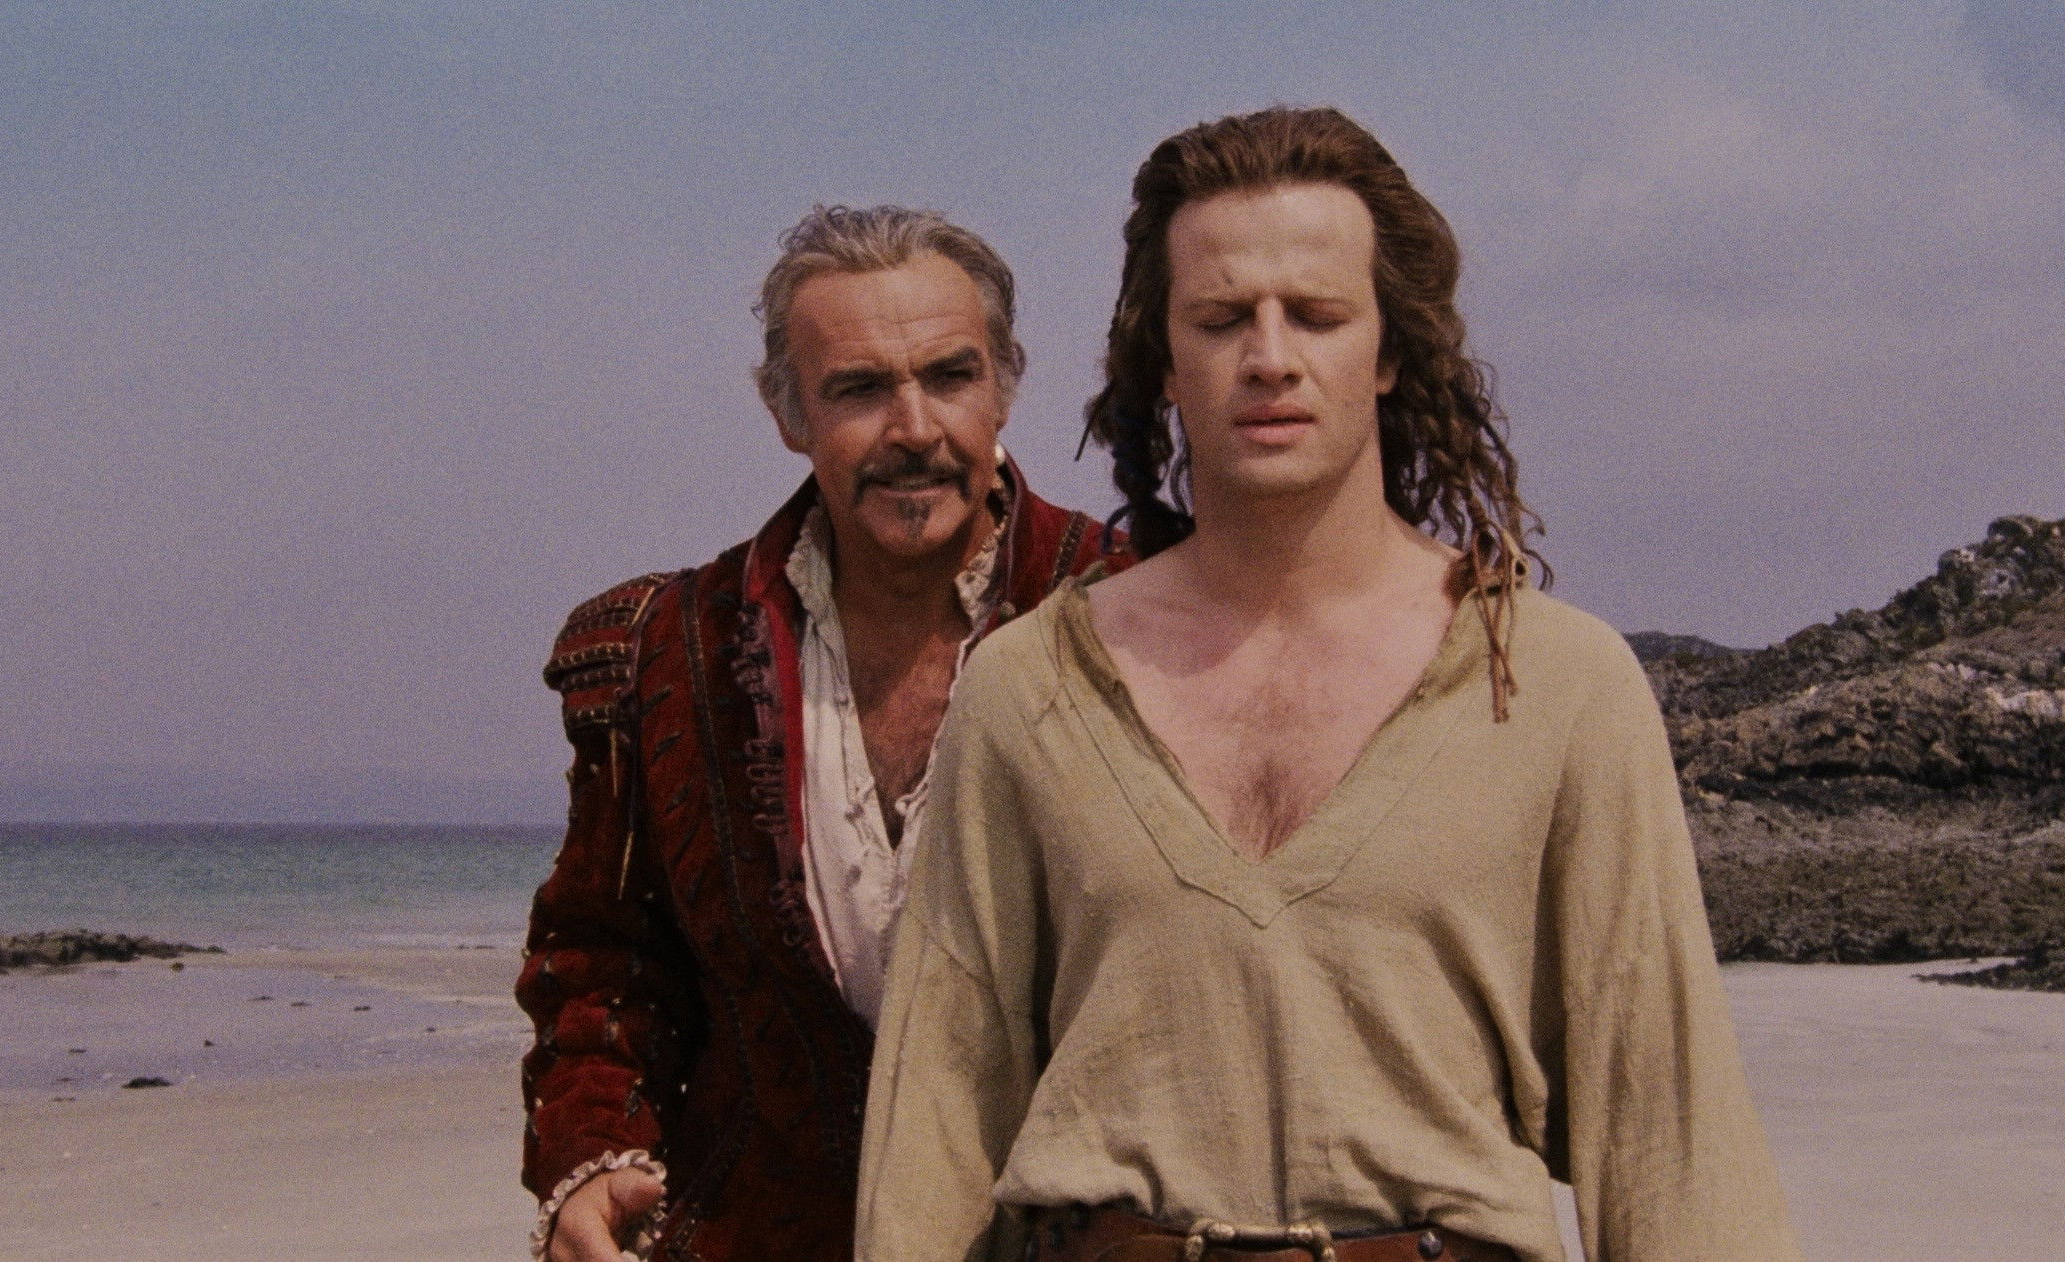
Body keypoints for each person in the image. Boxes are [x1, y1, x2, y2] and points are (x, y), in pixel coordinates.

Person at [858, 107, 1801, 1262]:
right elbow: (940, 1121)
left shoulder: (1558, 686)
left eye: (1316, 314)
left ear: (1389, 350)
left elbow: (1668, 1129)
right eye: (1222, 319)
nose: (1269, 356)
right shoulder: (1029, 689)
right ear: (1165, 362)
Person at [517, 205, 1123, 1262]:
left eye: (950, 376)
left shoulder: (1137, 613)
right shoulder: (669, 650)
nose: (915, 428)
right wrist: (594, 1156)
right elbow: (601, 962)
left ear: (1005, 386)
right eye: (859, 389)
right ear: (787, 411)